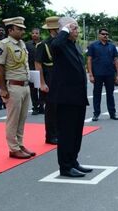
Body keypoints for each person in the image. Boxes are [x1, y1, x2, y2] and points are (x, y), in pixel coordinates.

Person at [50, 16, 91, 178]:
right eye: (73, 28)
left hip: (77, 97)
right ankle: (65, 167)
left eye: (76, 28)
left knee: (75, 133)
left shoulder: (74, 45)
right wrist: (65, 29)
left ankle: (73, 161)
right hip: (65, 98)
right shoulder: (60, 45)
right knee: (66, 133)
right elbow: (56, 44)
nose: (77, 31)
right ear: (65, 29)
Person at [0, 17, 34, 159]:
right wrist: (3, 88)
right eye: (19, 29)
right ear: (10, 30)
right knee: (13, 119)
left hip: (25, 85)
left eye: (23, 28)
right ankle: (13, 148)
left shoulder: (22, 43)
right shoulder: (2, 44)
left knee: (22, 118)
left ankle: (20, 144)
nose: (22, 31)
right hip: (13, 86)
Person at [35, 16, 59, 145]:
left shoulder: (62, 42)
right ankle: (50, 136)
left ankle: (58, 133)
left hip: (60, 78)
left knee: (60, 108)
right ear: (53, 29)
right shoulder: (43, 45)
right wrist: (42, 83)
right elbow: (38, 64)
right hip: (49, 77)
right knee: (51, 109)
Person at [86, 28, 118, 121]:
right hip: (97, 74)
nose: (105, 35)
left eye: (107, 34)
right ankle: (96, 114)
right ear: (99, 35)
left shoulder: (112, 47)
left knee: (110, 94)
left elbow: (116, 60)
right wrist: (91, 74)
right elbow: (89, 60)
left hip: (109, 74)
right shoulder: (93, 46)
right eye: (103, 34)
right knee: (97, 94)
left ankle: (112, 113)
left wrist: (117, 75)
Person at [26, 28, 42, 115]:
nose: (34, 34)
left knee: (42, 90)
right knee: (33, 90)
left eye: (36, 33)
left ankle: (41, 106)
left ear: (39, 34)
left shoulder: (43, 44)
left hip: (42, 70)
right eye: (33, 33)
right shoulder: (27, 44)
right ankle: (35, 107)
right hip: (31, 70)